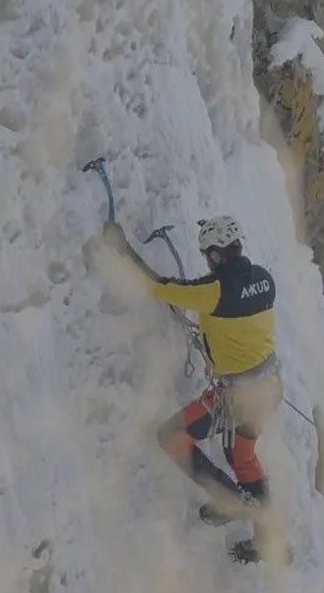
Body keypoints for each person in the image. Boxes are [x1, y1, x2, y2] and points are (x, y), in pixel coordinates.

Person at [99, 215, 283, 563]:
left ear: (215, 254)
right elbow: (237, 321)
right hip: (269, 385)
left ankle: (229, 500)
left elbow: (159, 287)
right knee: (243, 456)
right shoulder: (264, 279)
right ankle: (268, 539)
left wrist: (124, 250)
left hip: (238, 396)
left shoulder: (212, 291)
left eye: (207, 256)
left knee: (171, 436)